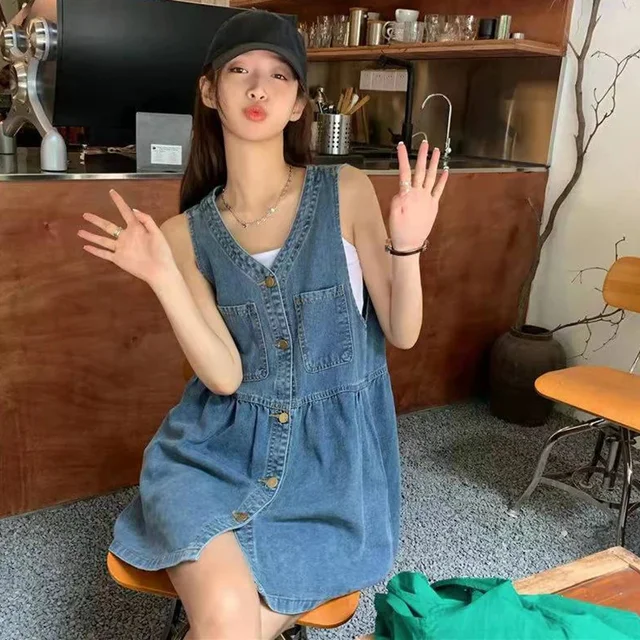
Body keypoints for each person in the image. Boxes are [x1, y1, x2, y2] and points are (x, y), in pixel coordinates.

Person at [77, 9, 448, 640]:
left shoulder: (347, 190)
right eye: (239, 71)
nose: (258, 88)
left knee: (231, 626)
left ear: (300, 102)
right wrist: (163, 276)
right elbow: (223, 378)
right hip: (213, 457)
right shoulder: (182, 235)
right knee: (228, 616)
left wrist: (407, 246)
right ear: (209, 90)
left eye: (279, 76)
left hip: (332, 471)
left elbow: (403, 332)